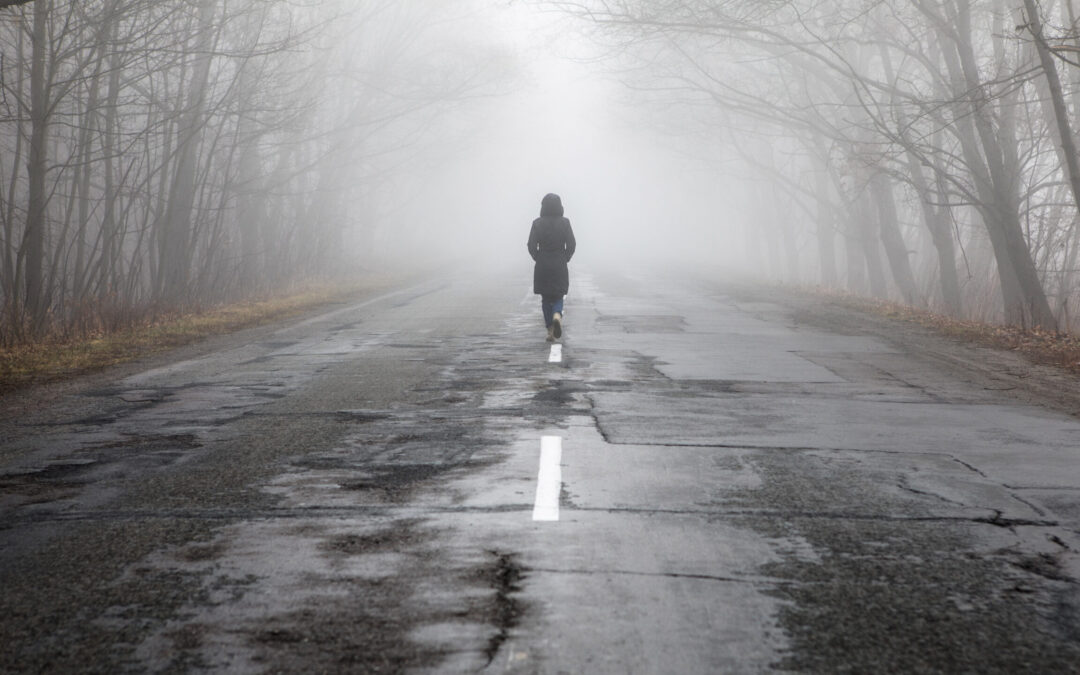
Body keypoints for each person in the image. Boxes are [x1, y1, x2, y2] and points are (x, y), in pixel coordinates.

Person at [527, 193, 576, 342]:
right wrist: (565, 257)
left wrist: (537, 257)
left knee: (545, 298)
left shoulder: (537, 223)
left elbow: (531, 245)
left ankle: (550, 330)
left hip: (543, 264)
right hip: (559, 263)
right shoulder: (565, 223)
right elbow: (572, 244)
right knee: (558, 295)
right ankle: (557, 315)